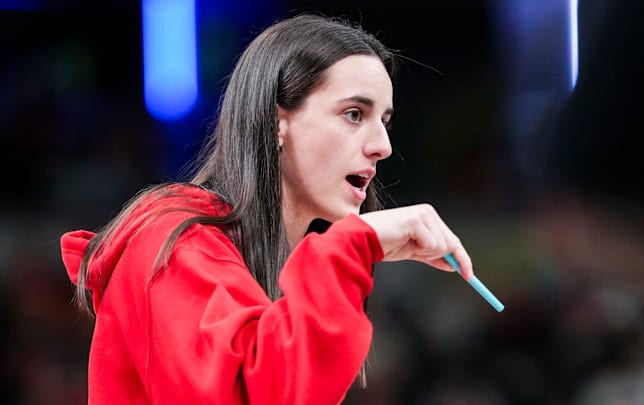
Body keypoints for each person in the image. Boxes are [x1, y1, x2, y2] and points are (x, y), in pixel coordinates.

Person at [60, 13, 475, 404]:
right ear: (278, 121)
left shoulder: (273, 257)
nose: (382, 146)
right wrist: (354, 245)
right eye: (354, 114)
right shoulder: (173, 240)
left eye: (384, 120)